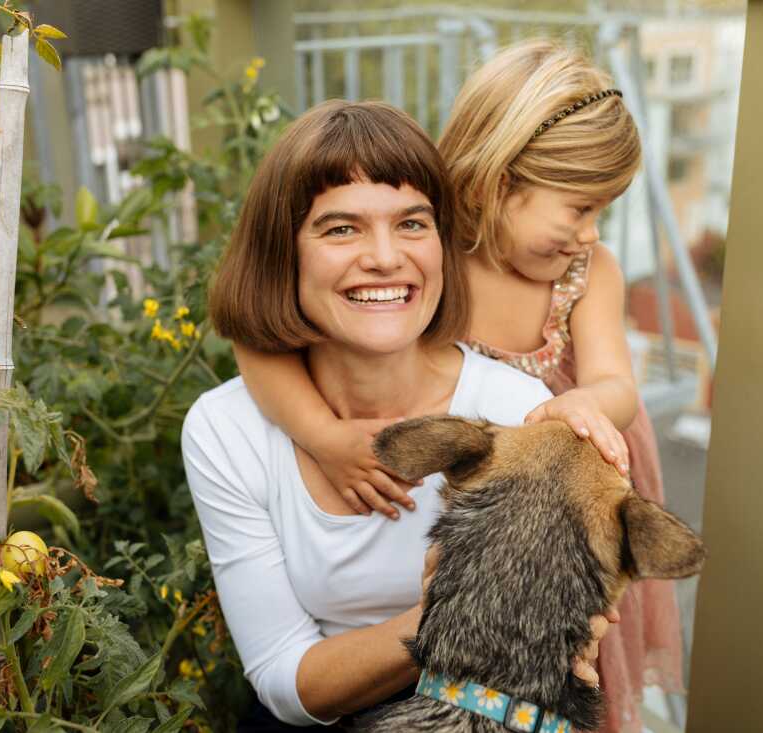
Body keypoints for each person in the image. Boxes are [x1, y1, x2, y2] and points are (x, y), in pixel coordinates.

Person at [232, 41, 685, 733]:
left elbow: (615, 382)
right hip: (478, 507)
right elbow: (255, 340)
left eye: (605, 210)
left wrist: (583, 406)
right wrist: (323, 438)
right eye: (580, 207)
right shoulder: (423, 258)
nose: (591, 232)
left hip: (572, 493)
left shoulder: (587, 272)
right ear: (501, 179)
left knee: (572, 665)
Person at [183, 100, 608, 732]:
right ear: (282, 255)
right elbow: (281, 676)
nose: (385, 257)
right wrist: (446, 616)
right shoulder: (227, 430)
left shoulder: (517, 418)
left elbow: (545, 657)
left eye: (412, 223)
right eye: (340, 229)